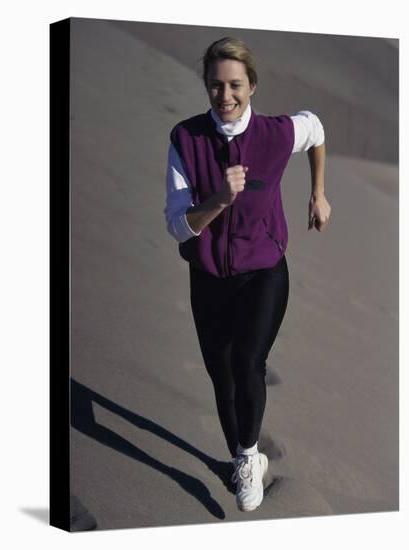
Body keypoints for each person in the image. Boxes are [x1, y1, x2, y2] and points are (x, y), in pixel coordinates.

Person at [164, 37, 331, 512]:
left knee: (247, 363)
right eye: (216, 85)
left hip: (264, 269)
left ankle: (246, 457)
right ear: (206, 87)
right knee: (221, 376)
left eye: (235, 84)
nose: (225, 95)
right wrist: (217, 200)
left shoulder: (276, 135)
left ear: (252, 86)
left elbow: (316, 129)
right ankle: (242, 451)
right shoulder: (185, 139)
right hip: (209, 274)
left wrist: (317, 193)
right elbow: (177, 225)